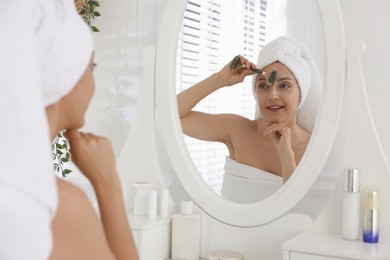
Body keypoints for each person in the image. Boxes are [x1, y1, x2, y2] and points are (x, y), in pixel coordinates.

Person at [177, 36, 322, 203]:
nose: (272, 95)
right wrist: (220, 79)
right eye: (263, 86)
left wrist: (287, 157)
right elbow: (172, 115)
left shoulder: (315, 149)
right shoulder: (237, 130)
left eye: (284, 85)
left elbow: (304, 211)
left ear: (301, 94)